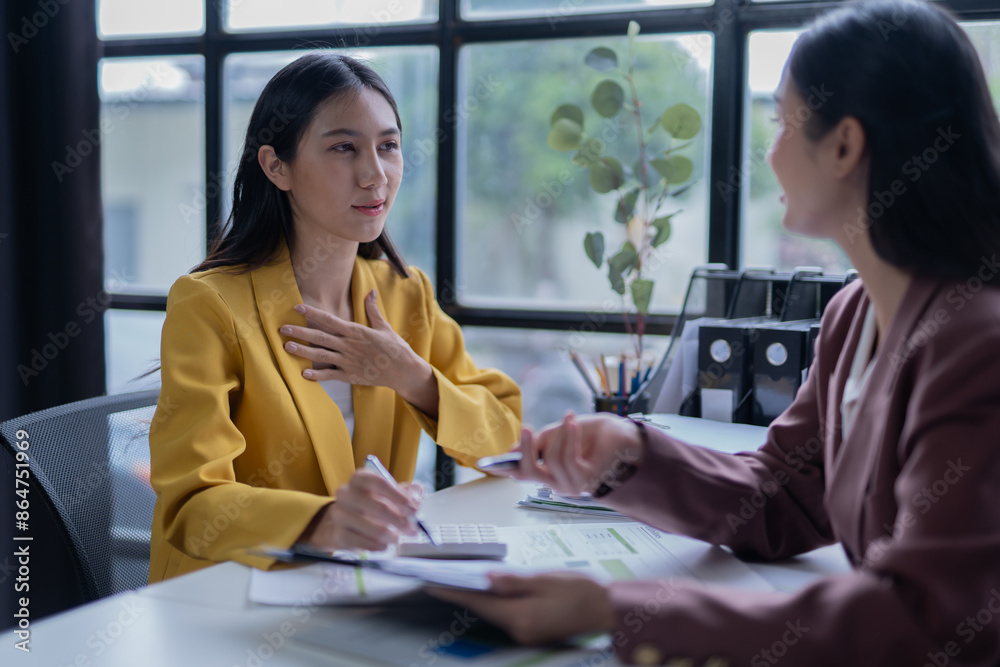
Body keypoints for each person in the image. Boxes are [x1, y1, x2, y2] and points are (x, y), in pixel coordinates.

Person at [430, 1, 1000, 664]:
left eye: (781, 124)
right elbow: (783, 496)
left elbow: (924, 617)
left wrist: (620, 611)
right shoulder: (853, 315)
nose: (770, 150)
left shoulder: (976, 343)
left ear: (844, 145)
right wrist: (628, 452)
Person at [147, 53, 522, 583]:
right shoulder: (208, 304)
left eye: (388, 146)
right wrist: (325, 520)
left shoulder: (405, 295)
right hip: (228, 596)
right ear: (276, 166)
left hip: (356, 587)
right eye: (344, 148)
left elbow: (508, 441)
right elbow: (192, 504)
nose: (376, 174)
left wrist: (410, 376)